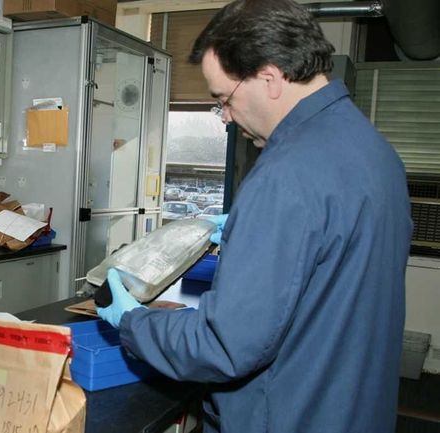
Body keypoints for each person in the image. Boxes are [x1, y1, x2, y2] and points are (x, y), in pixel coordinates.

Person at [96, 0, 413, 432]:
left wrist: (134, 322)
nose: (225, 117)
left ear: (269, 77)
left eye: (224, 99)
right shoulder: (376, 153)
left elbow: (223, 346)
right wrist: (254, 237)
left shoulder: (285, 175)